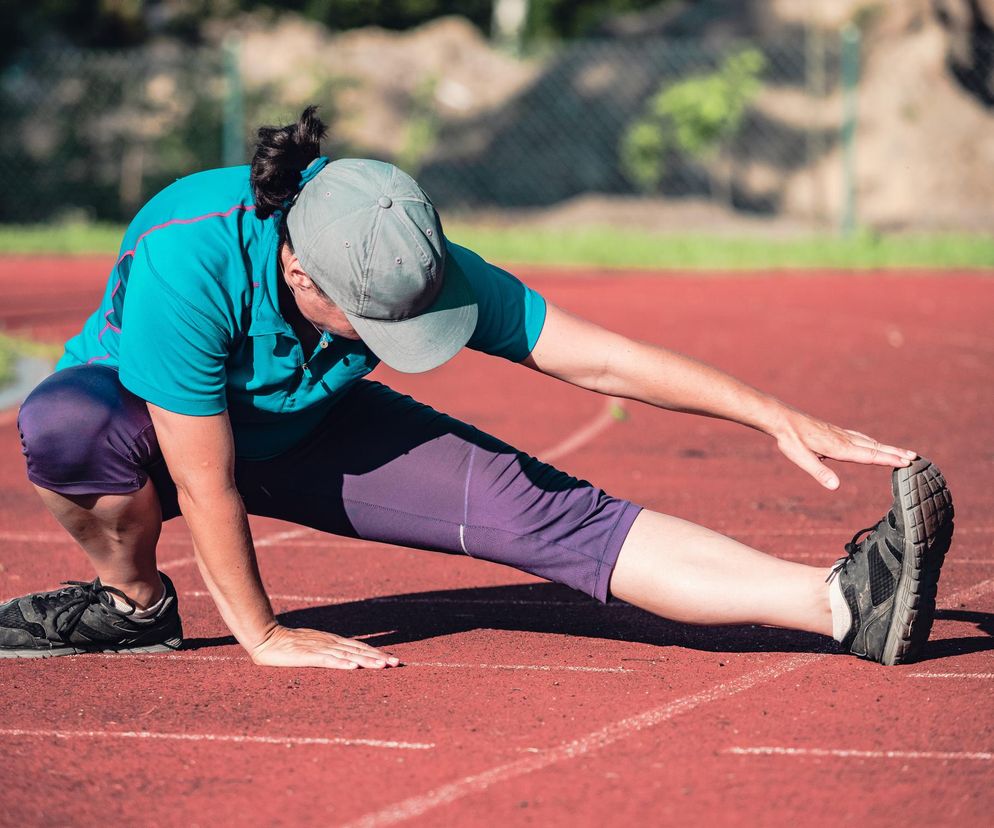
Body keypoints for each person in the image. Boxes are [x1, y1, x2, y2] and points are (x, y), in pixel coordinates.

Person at [2, 108, 953, 669]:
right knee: (65, 423)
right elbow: (204, 481)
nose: (406, 339)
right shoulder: (190, 257)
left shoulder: (397, 249)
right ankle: (132, 606)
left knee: (554, 514)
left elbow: (599, 360)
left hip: (310, 432)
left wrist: (769, 412)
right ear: (301, 276)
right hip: (154, 432)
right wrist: (263, 633)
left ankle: (841, 604)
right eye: (382, 326)